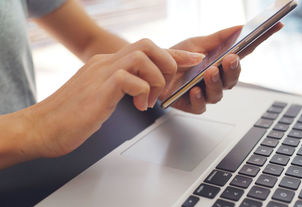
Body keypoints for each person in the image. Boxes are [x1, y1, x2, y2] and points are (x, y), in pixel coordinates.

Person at [0, 0, 283, 169]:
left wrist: (156, 72)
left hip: (29, 166)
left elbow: (89, 39)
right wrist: (35, 126)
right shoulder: (38, 130)